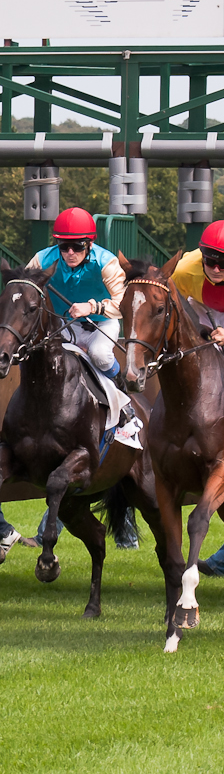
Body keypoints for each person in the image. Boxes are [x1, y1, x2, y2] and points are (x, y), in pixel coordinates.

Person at [165, 219, 224, 573]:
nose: (215, 269)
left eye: (223, 263)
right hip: (200, 308)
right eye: (210, 260)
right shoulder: (186, 269)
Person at [25, 207, 124, 380]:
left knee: (99, 354)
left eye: (78, 246)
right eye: (64, 246)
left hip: (101, 324)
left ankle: (120, 384)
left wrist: (91, 308)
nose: (70, 253)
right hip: (62, 325)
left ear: (90, 244)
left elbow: (123, 305)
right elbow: (23, 290)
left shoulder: (107, 263)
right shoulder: (41, 260)